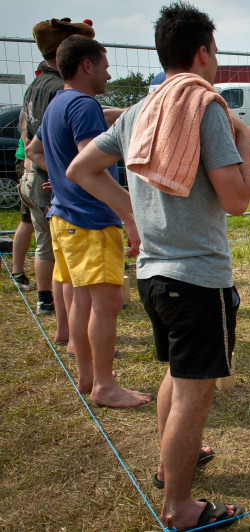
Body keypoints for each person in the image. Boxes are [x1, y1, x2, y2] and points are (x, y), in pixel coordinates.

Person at [68, 2, 250, 528]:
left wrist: (132, 212)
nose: (216, 62)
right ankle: (177, 507)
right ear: (202, 52)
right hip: (196, 279)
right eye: (215, 51)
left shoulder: (139, 110)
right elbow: (237, 199)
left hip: (152, 274)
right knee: (195, 393)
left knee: (177, 374)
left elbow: (82, 168)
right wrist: (245, 147)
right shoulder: (204, 109)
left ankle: (172, 461)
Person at [27, 35, 150, 409]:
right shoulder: (83, 105)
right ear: (86, 65)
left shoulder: (56, 104)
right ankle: (105, 385)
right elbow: (91, 166)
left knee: (82, 300)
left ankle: (87, 377)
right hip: (90, 220)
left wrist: (63, 176)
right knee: (108, 302)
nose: (109, 74)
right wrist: (129, 214)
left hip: (63, 218)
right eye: (105, 65)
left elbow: (34, 150)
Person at [23, 19, 94, 326]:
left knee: (49, 251)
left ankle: (47, 304)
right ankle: (70, 325)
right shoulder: (60, 90)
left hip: (37, 178)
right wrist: (67, 175)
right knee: (71, 267)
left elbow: (31, 141)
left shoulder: (36, 85)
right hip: (59, 187)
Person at [11, 110, 35, 291]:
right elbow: (27, 140)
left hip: (29, 163)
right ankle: (18, 272)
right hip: (31, 165)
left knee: (28, 221)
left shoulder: (34, 95)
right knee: (27, 220)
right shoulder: (40, 96)